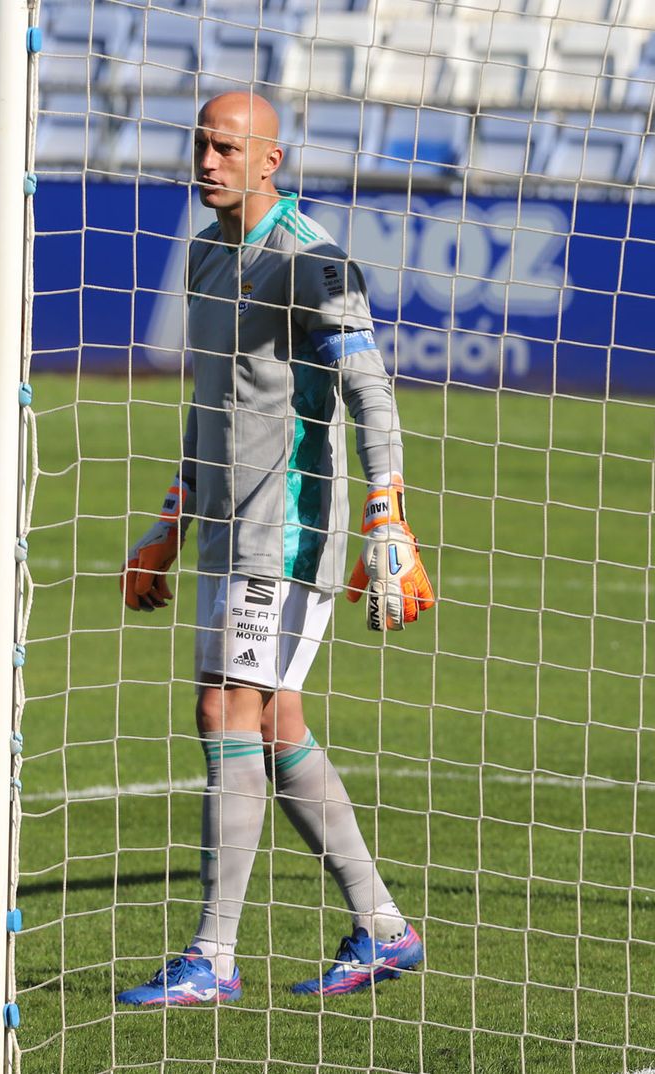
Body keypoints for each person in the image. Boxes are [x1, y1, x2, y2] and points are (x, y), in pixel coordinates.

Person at [115, 92, 436, 1003]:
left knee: (225, 713)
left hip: (288, 532)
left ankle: (212, 958)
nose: (207, 159)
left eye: (226, 147)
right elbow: (208, 408)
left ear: (271, 159)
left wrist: (387, 517)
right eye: (201, 143)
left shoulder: (314, 259)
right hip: (224, 529)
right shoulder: (208, 251)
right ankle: (382, 928)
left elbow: (372, 393)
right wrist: (168, 527)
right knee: (274, 724)